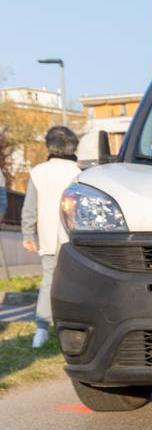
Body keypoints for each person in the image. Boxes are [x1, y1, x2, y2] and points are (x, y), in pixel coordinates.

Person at [21, 126, 81, 349]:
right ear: (73, 146)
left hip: (47, 236)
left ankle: (41, 331)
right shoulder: (79, 171)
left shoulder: (38, 172)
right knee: (77, 283)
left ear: (49, 146)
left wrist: (28, 233)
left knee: (48, 281)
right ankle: (74, 328)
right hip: (75, 238)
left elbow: (29, 208)